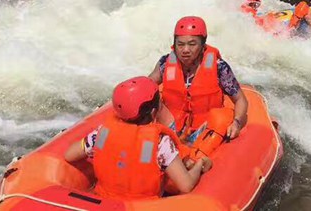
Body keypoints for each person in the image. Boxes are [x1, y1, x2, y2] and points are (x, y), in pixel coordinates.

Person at [64, 76, 210, 198]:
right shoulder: (160, 143)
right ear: (154, 113)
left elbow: (70, 155)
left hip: (105, 201)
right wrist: (199, 165)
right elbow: (186, 185)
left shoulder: (102, 133)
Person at [149, 16, 249, 161]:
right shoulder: (165, 63)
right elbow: (148, 85)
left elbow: (240, 99)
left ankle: (194, 160)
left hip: (204, 127)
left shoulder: (219, 67)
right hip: (171, 125)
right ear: (174, 44)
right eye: (180, 44)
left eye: (192, 44)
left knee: (224, 117)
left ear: (203, 45)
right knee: (153, 101)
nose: (185, 50)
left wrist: (237, 122)